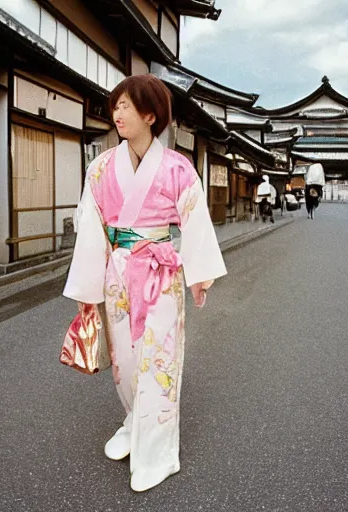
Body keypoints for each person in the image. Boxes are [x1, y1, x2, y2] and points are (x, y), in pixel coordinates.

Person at [62, 74, 227, 493]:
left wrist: (199, 274)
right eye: (114, 105)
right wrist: (86, 289)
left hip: (160, 273)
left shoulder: (177, 168)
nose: (116, 113)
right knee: (124, 362)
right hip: (116, 272)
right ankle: (134, 419)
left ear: (150, 115)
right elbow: (91, 226)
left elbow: (194, 221)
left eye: (125, 106)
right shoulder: (100, 168)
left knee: (159, 360)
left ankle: (157, 451)